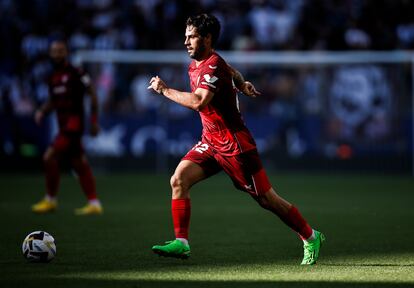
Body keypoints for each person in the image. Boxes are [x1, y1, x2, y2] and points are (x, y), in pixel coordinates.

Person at [147, 14, 324, 265]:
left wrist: (164, 90)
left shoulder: (212, 64)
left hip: (235, 145)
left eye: (192, 36)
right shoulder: (198, 63)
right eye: (185, 36)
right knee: (178, 179)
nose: (185, 41)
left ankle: (310, 236)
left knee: (267, 199)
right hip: (210, 141)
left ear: (207, 38)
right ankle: (181, 243)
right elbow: (232, 71)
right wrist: (242, 85)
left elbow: (199, 101)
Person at [32, 40, 103, 215]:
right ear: (50, 53)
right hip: (63, 125)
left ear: (66, 52)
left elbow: (92, 95)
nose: (57, 54)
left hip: (74, 125)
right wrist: (42, 111)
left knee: (49, 157)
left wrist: (94, 121)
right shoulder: (52, 77)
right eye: (54, 51)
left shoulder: (77, 72)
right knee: (79, 162)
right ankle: (94, 203)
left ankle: (50, 199)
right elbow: (52, 101)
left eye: (60, 51)